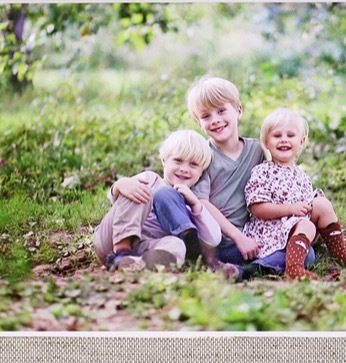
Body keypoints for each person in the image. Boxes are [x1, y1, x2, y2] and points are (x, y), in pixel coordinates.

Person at [112, 76, 265, 269]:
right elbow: (201, 202)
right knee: (165, 194)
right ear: (198, 122)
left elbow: (275, 184)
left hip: (240, 241)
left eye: (221, 111)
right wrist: (238, 236)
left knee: (305, 254)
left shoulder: (258, 151)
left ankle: (242, 271)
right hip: (205, 237)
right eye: (206, 116)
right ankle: (200, 257)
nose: (215, 120)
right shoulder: (202, 157)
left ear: (238, 111)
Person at [242, 108, 346, 280]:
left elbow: (308, 210)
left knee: (322, 204)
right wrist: (290, 209)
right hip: (271, 231)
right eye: (277, 136)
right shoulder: (262, 171)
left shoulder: (302, 176)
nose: (284, 140)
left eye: (290, 135)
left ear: (301, 142)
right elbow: (258, 208)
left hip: (297, 228)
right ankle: (293, 269)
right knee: (306, 225)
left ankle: (341, 255)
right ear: (266, 142)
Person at [93, 130, 232, 274]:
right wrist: (119, 185)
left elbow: (214, 238)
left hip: (143, 247)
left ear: (201, 172)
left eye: (193, 165)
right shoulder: (150, 179)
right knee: (139, 190)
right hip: (111, 239)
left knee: (177, 245)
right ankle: (121, 251)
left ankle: (139, 264)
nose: (184, 169)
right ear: (164, 161)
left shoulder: (187, 205)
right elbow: (119, 202)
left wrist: (196, 205)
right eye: (178, 161)